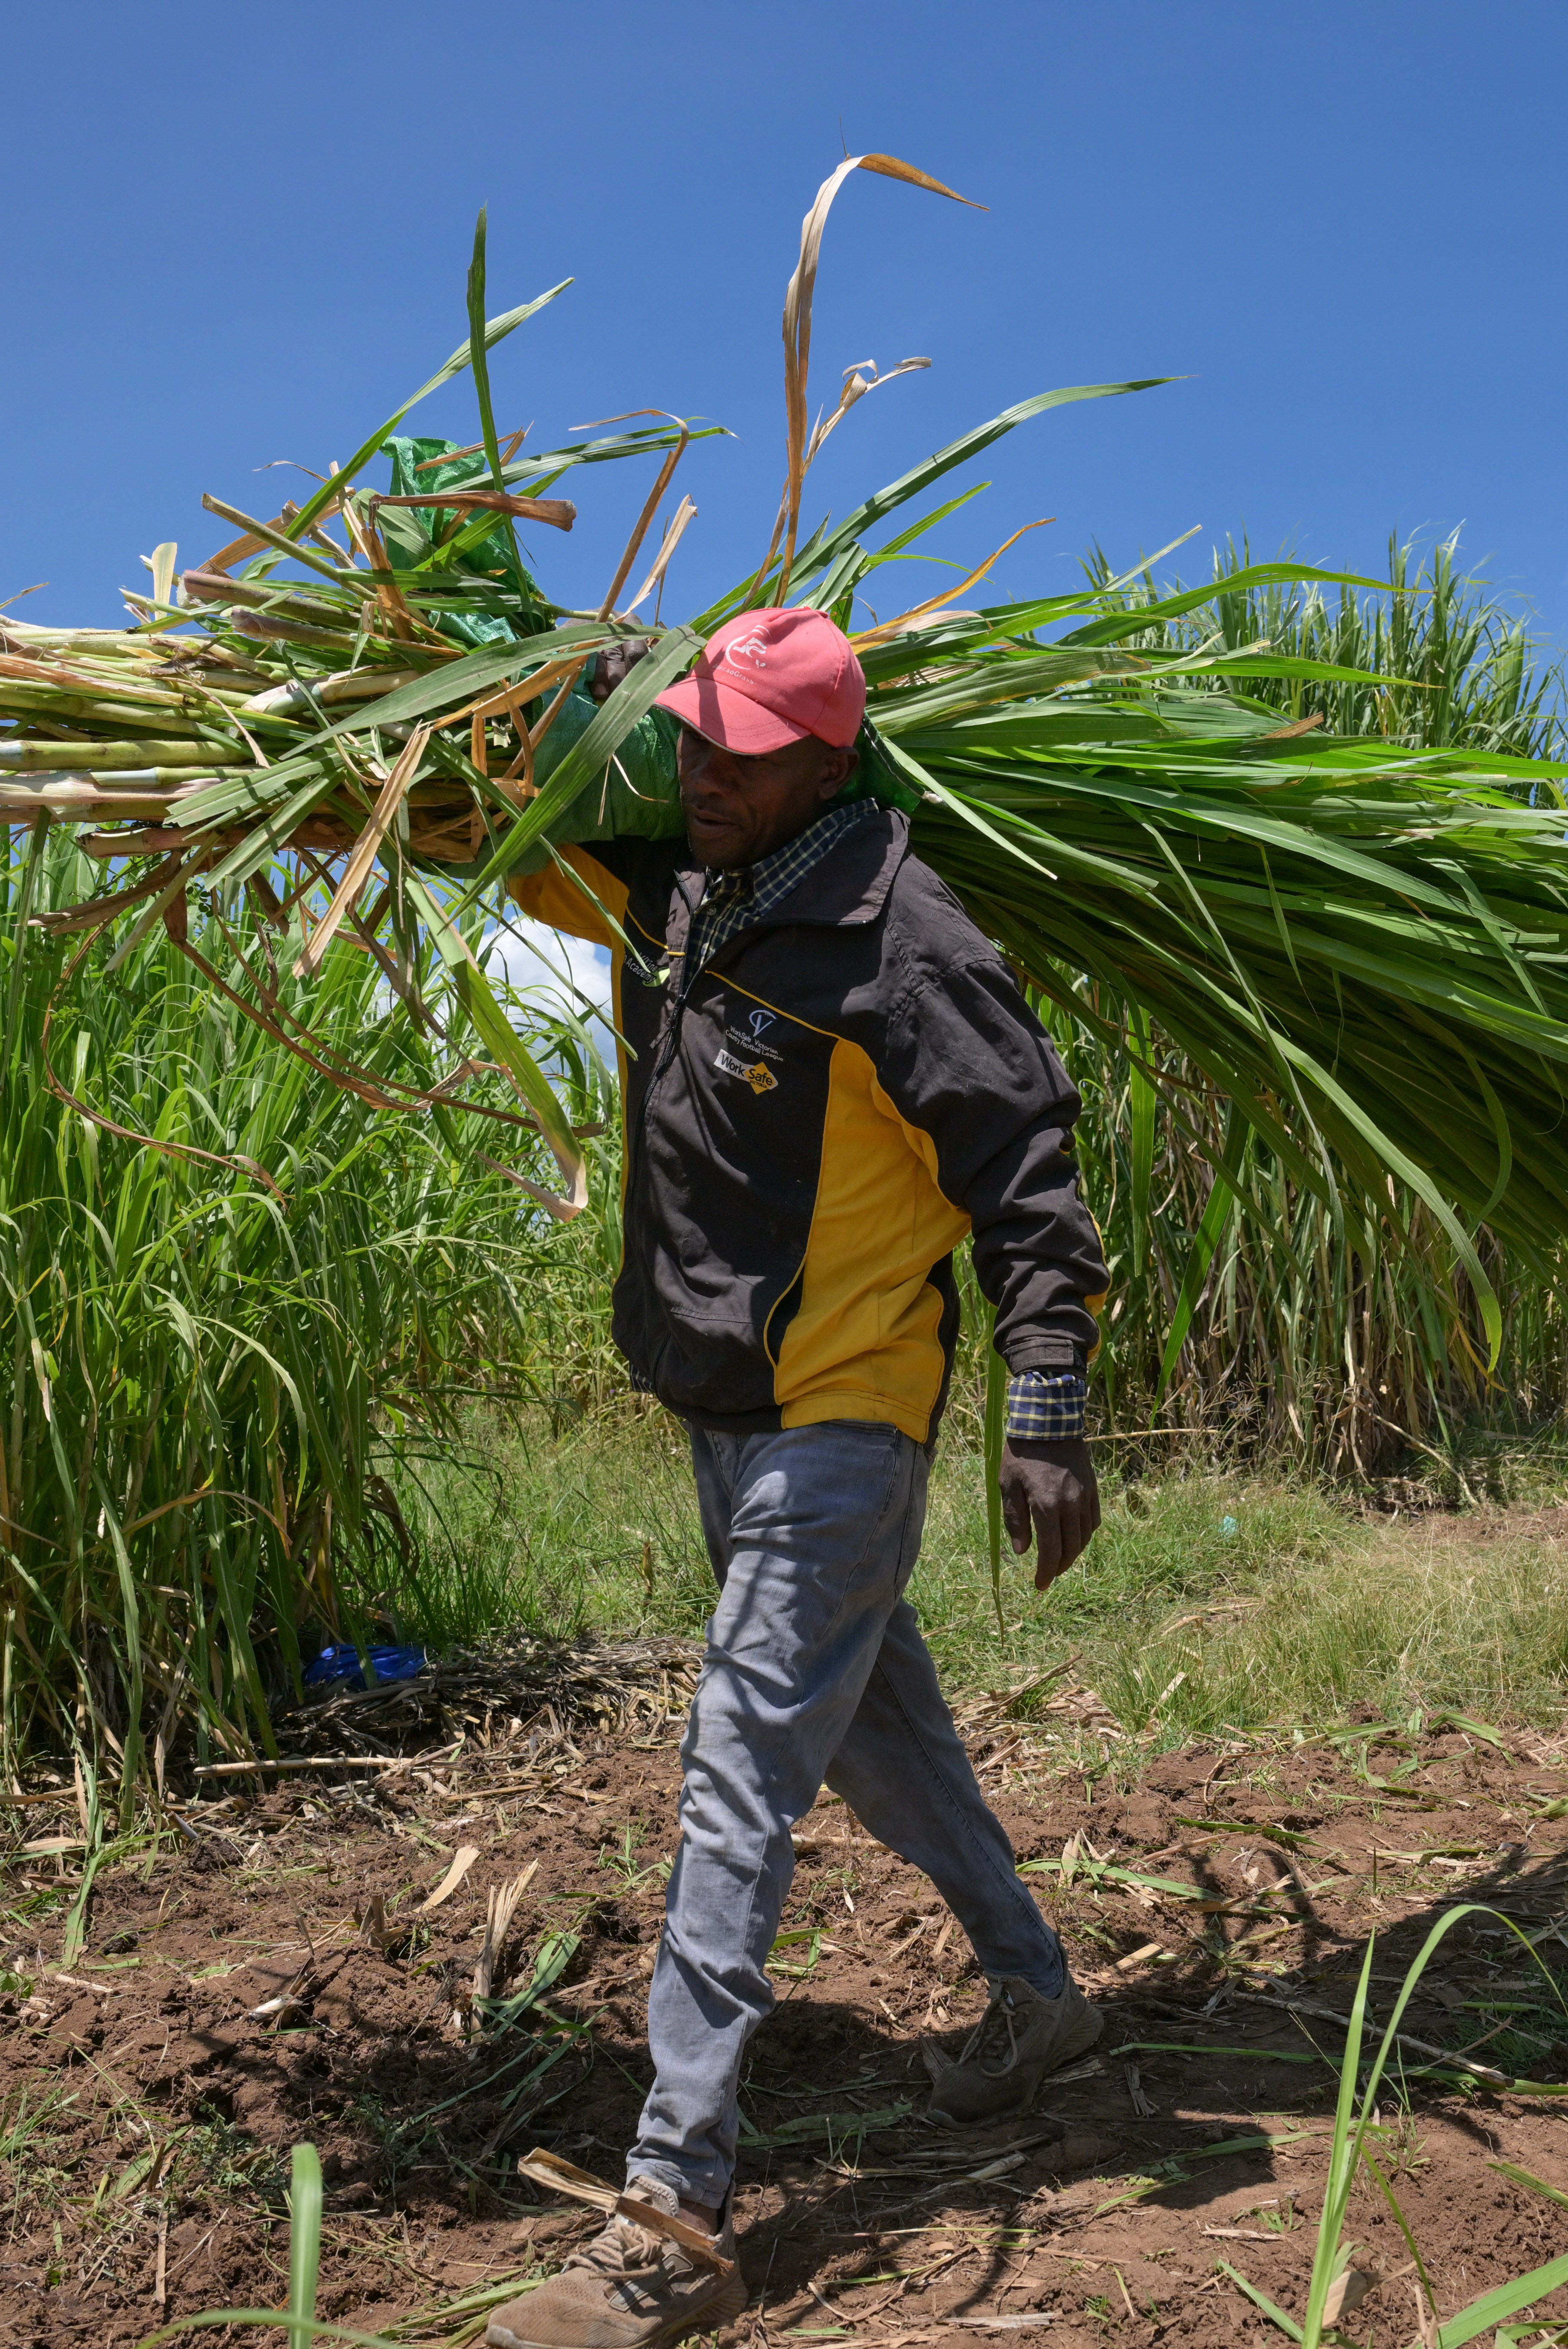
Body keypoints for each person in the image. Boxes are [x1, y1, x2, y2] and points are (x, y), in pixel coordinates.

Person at [483, 608, 1109, 2349]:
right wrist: (441, 690)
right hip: (725, 1401)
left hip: (847, 1405)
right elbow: (482, 825)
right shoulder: (677, 890)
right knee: (880, 1721)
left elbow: (1034, 1188)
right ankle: (1040, 1997)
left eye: (742, 753)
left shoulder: (903, 944)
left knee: (737, 1765)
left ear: (828, 762)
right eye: (688, 739)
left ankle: (675, 2212)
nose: (701, 771)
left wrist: (1045, 1412)